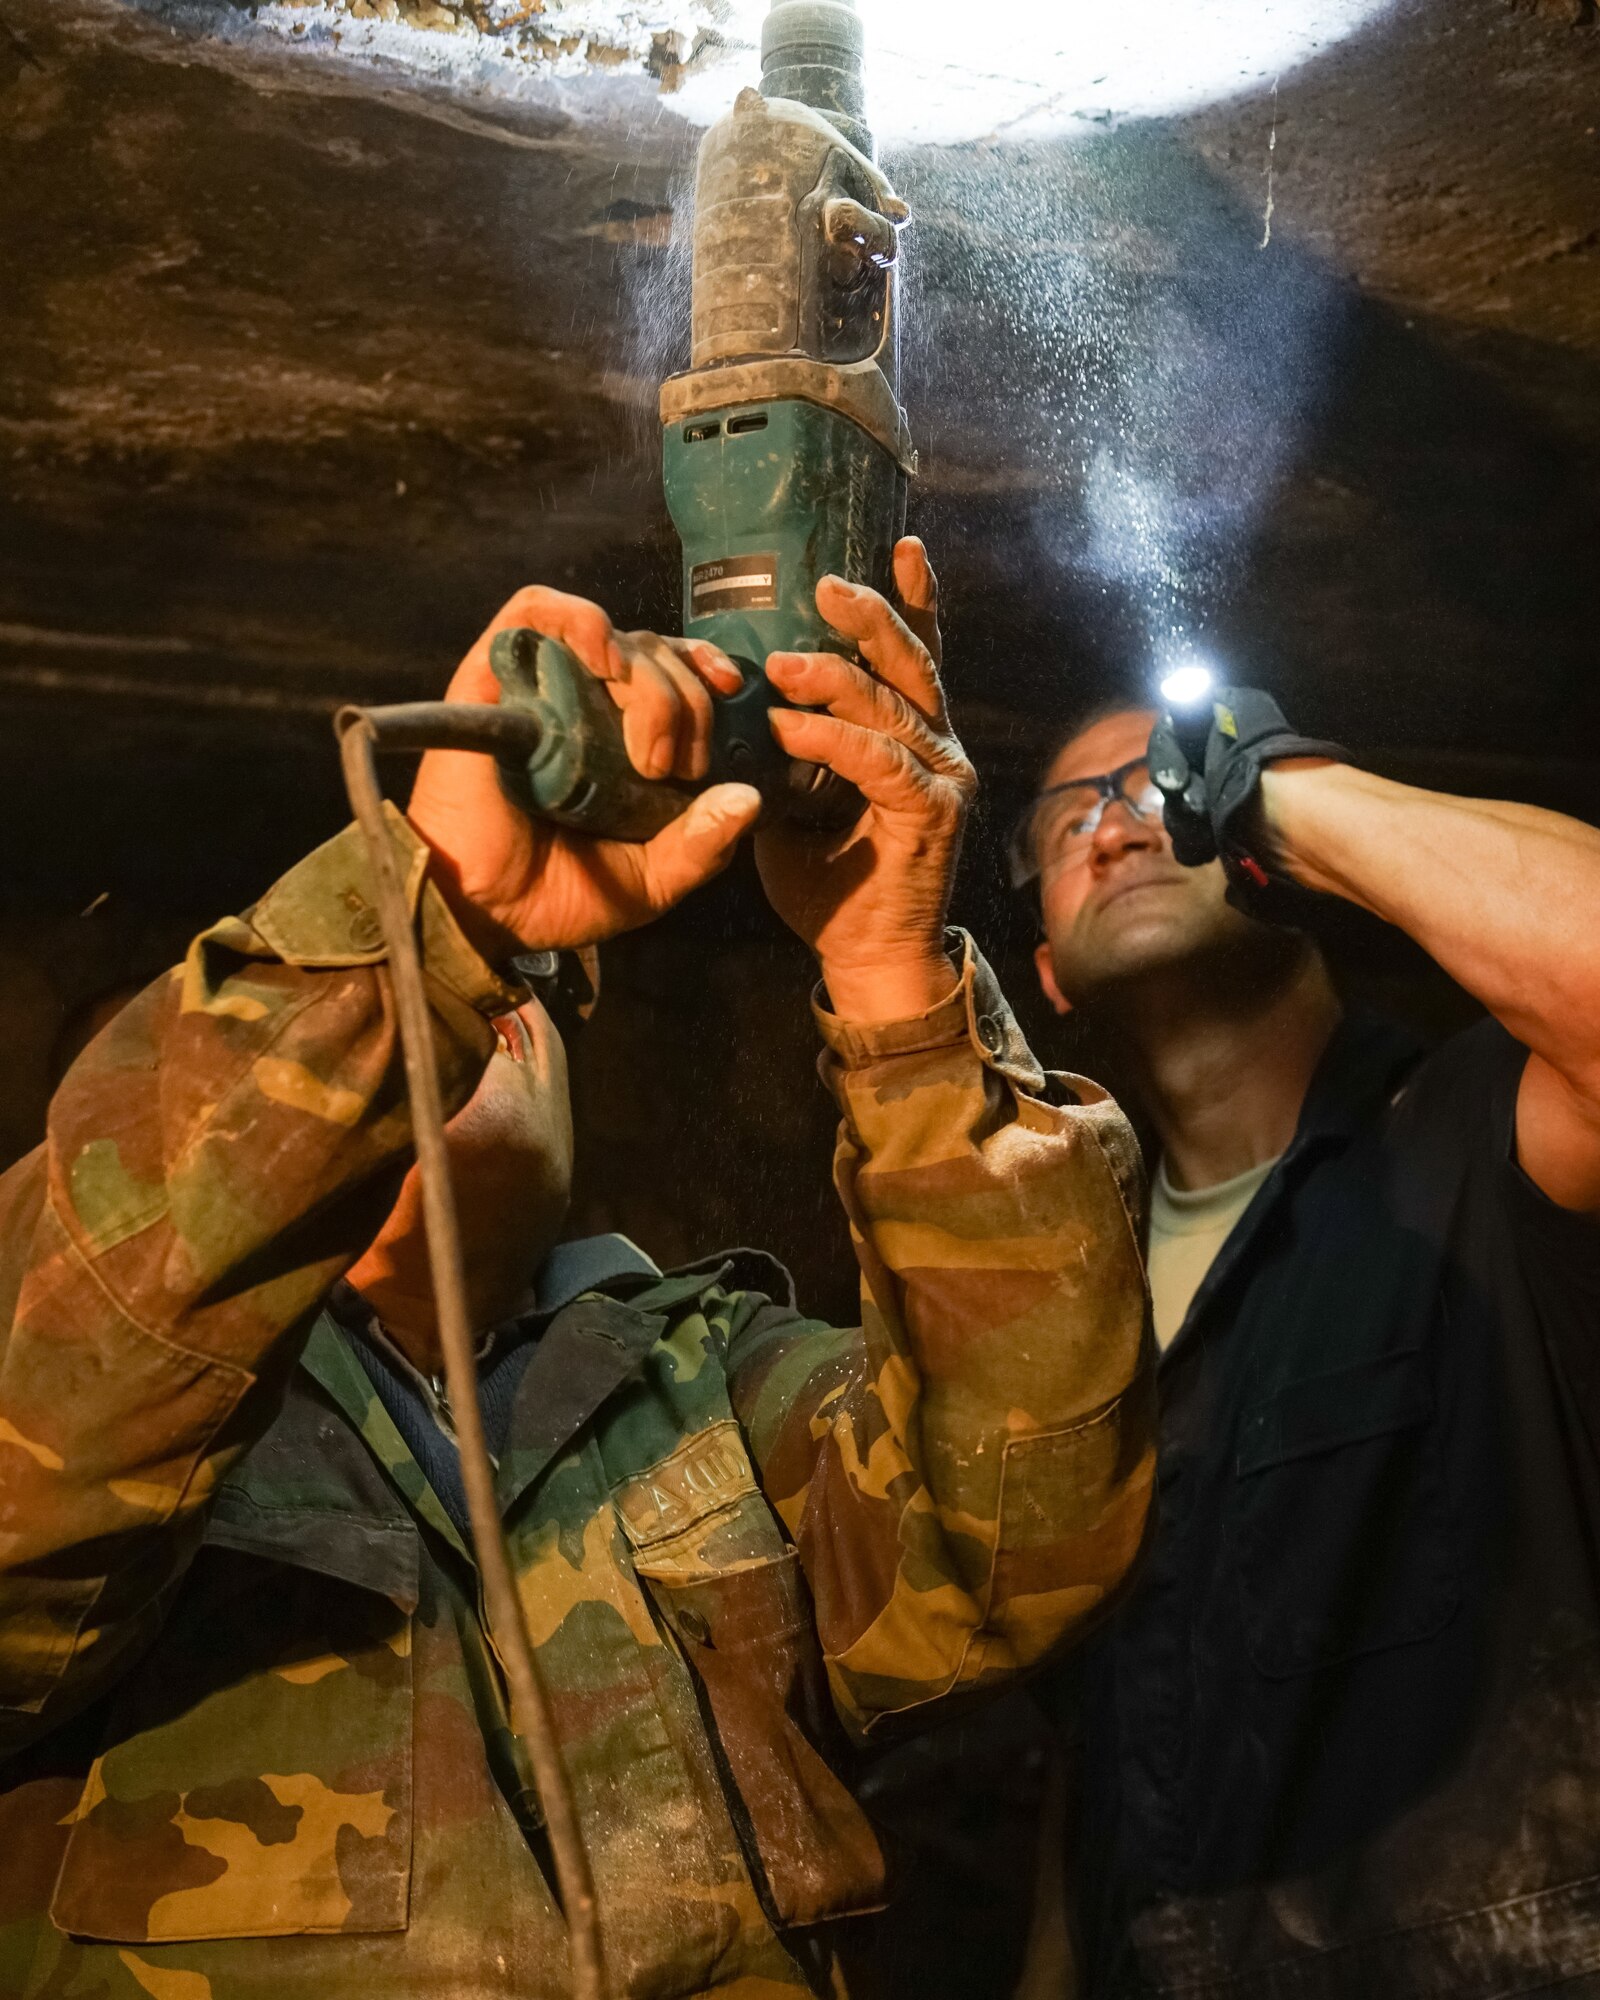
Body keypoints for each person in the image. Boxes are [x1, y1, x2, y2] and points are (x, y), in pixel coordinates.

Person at [0, 549, 1156, 2000]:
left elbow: (1020, 1546)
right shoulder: (154, 1419)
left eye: (524, 985)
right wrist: (421, 935)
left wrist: (895, 987)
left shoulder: (715, 1384)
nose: (495, 1007)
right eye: (475, 974)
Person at [1017, 686, 1600, 1999]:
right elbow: (1086, 1758)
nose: (1118, 830)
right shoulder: (1051, 1321)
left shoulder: (1475, 1136)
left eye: (1163, 789)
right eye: (1072, 822)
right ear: (1046, 973)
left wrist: (1287, 792)